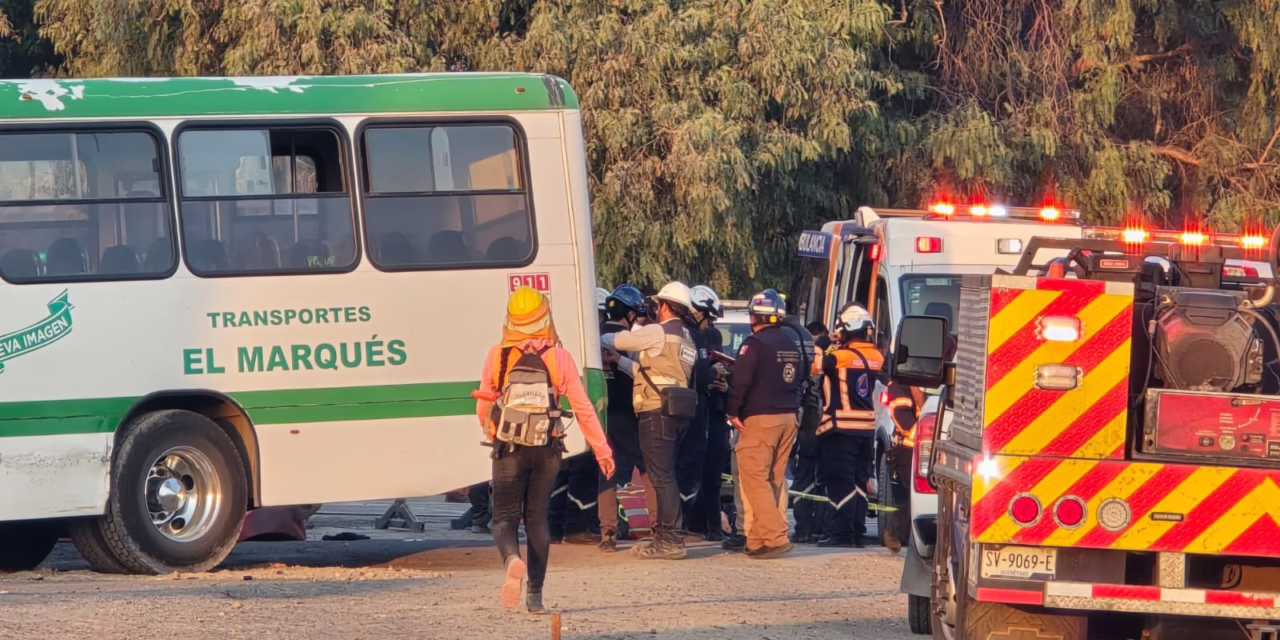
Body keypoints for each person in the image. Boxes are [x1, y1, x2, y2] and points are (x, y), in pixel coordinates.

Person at [474, 287, 616, 613]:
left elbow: (484, 405)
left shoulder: (498, 356)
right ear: (545, 317)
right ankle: (535, 596)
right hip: (548, 447)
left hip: (509, 447)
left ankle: (512, 560)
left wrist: (492, 430)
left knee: (504, 519)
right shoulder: (559, 357)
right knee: (538, 519)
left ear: (510, 320)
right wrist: (603, 451)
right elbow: (583, 408)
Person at [600, 281, 698, 560]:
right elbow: (652, 371)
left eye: (657, 305)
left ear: (664, 306)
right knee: (665, 475)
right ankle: (669, 537)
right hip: (676, 410)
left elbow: (614, 340)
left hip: (656, 410)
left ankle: (669, 540)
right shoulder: (686, 338)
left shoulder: (658, 332)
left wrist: (603, 338)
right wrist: (620, 362)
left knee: (661, 477)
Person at [724, 289, 805, 559]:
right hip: (789, 418)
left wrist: (732, 411)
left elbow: (741, 381)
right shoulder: (791, 343)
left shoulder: (754, 344)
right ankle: (758, 540)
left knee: (753, 479)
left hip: (760, 420)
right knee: (773, 478)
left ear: (754, 315)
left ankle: (775, 536)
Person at [816, 303, 885, 548]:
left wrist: (824, 343)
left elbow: (816, 365)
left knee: (839, 482)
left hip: (840, 429)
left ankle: (841, 534)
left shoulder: (838, 358)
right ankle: (856, 531)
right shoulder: (876, 357)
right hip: (866, 430)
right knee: (859, 482)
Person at [596, 284, 652, 551]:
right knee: (648, 467)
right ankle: (659, 526)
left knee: (606, 470)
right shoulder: (629, 341)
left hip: (600, 415)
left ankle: (608, 531)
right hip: (628, 415)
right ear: (630, 314)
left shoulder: (592, 338)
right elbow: (645, 373)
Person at [675, 285, 720, 538]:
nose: (710, 323)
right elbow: (702, 375)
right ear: (698, 312)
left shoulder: (668, 332)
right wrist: (716, 373)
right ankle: (682, 523)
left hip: (665, 410)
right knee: (689, 466)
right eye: (710, 317)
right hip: (693, 411)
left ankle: (671, 523)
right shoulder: (696, 337)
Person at [791, 321, 830, 543]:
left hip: (807, 427)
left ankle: (803, 528)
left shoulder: (803, 357)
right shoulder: (832, 358)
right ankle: (821, 527)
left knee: (803, 478)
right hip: (828, 428)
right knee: (823, 480)